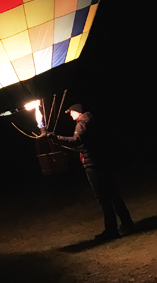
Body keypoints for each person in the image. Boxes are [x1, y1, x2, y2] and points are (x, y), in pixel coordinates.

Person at [47, 103, 134, 240]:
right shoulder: (92, 120)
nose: (70, 115)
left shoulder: (82, 123)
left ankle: (111, 230)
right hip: (102, 160)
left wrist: (56, 138)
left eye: (71, 112)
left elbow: (76, 140)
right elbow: (86, 143)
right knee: (113, 194)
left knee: (103, 197)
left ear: (77, 112)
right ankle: (127, 223)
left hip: (93, 164)